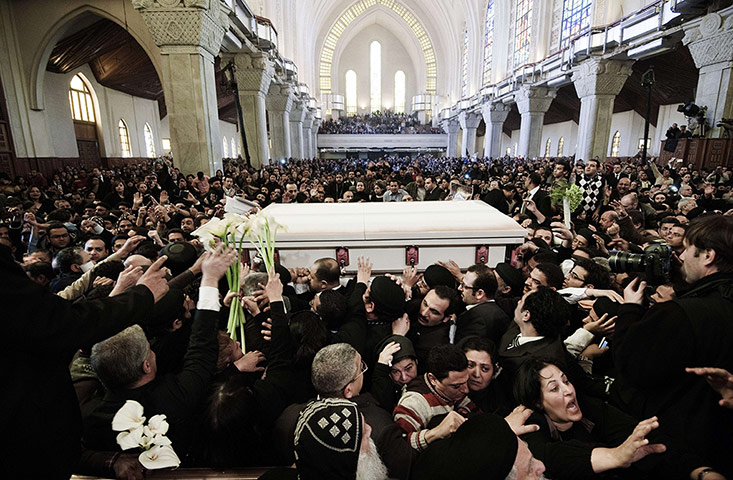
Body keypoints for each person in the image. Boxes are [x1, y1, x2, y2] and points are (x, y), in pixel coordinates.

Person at [0, 242, 169, 479]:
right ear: (146, 364)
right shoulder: (172, 399)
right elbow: (55, 323)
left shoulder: (89, 408)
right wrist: (141, 296)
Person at [614, 215, 733, 477]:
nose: (683, 258)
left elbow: (631, 367)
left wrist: (630, 311)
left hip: (681, 450)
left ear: (708, 256)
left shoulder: (680, 314)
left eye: (687, 249)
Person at [514, 359, 720, 480]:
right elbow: (549, 457)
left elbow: (641, 437)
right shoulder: (531, 423)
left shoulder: (590, 407)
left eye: (566, 381)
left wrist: (701, 472)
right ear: (538, 402)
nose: (568, 391)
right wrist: (615, 456)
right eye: (554, 388)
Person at [455, 263, 510, 345]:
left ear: (480, 293)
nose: (459, 288)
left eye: (464, 286)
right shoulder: (500, 312)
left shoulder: (476, 319)